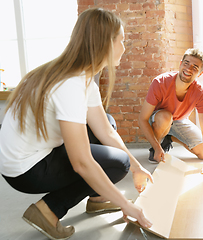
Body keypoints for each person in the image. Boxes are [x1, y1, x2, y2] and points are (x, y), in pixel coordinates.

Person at [0, 8, 153, 240]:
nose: (124, 47)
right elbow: (81, 163)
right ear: (105, 43)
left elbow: (105, 130)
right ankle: (48, 209)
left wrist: (137, 167)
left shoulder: (79, 77)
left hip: (27, 155)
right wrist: (125, 204)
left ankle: (98, 198)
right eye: (121, 40)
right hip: (25, 170)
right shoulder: (70, 85)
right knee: (117, 163)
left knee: (108, 123)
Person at [139, 48, 203, 177]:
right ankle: (158, 144)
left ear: (199, 73)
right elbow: (143, 119)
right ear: (180, 63)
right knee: (166, 117)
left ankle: (170, 137)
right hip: (159, 118)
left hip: (179, 120)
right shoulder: (160, 82)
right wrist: (156, 147)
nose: (189, 69)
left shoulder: (199, 92)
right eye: (186, 63)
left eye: (195, 67)